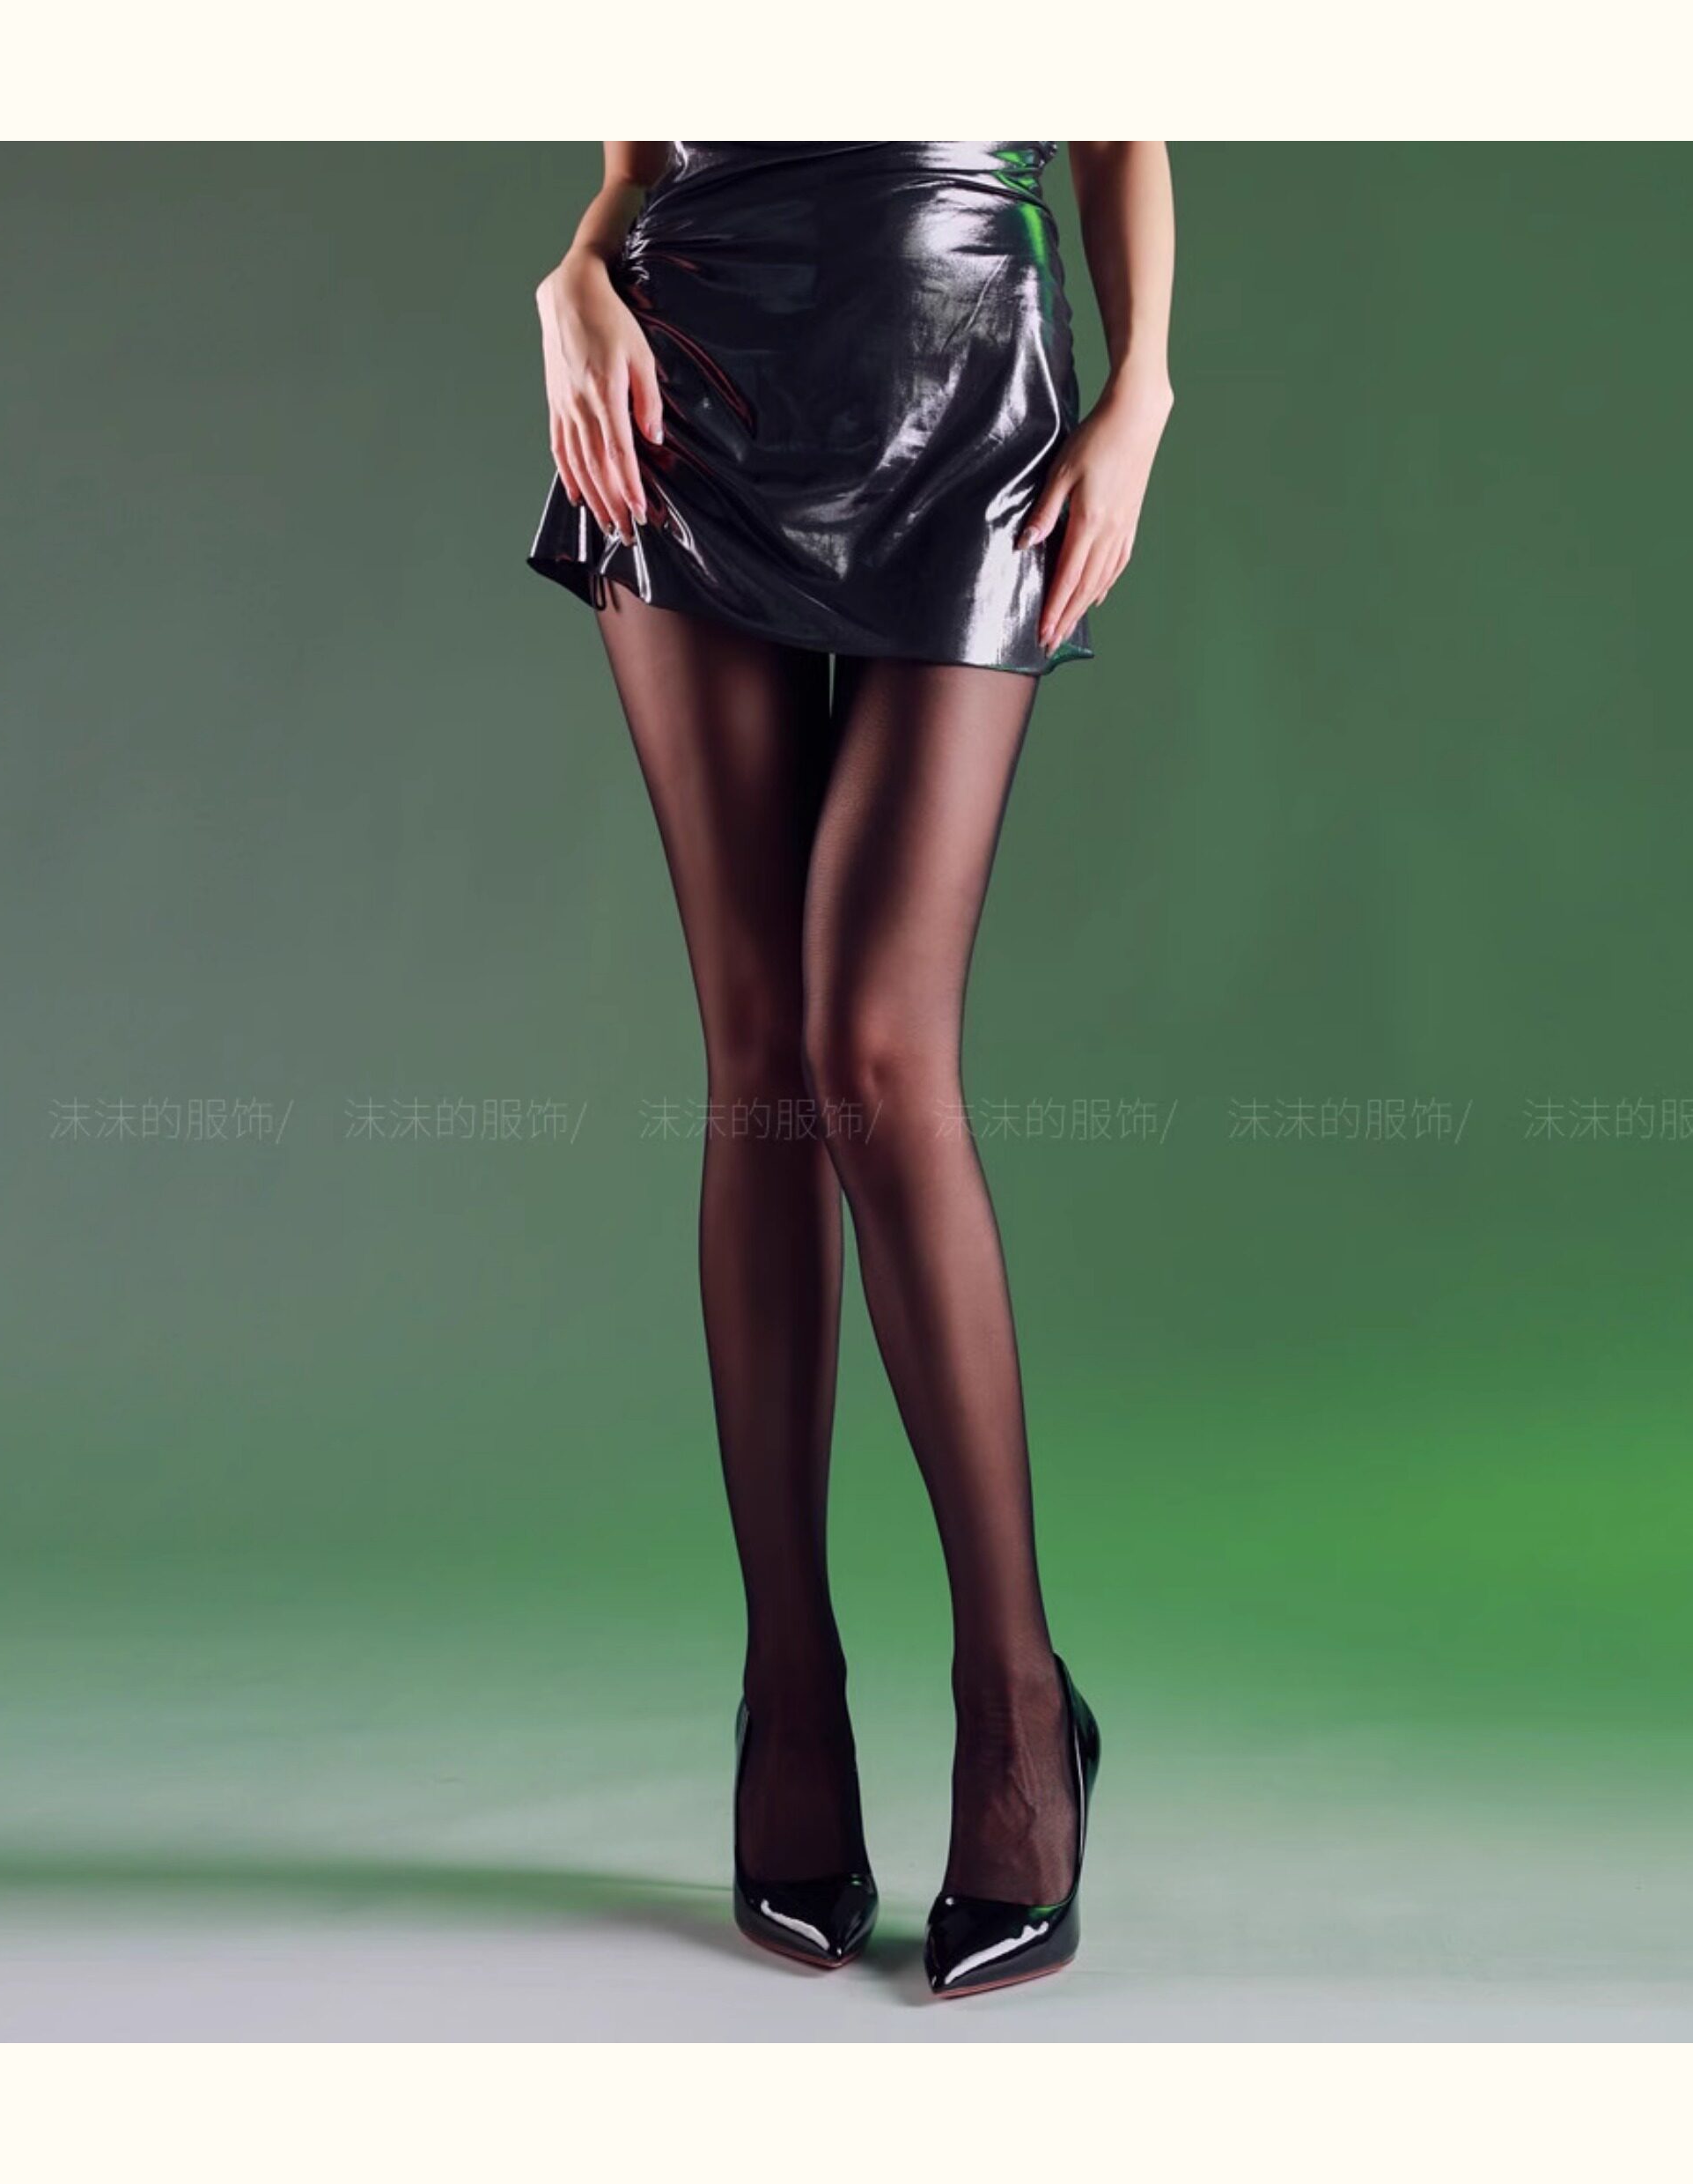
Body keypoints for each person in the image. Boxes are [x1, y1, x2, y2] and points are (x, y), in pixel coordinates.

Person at [528, 140, 1174, 1998]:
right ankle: (789, 1686)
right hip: (680, 382)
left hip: (969, 374)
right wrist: (571, 280)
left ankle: (1016, 1698)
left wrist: (1139, 389)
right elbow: (640, 148)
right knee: (759, 1057)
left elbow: (1119, 119)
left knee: (873, 1051)